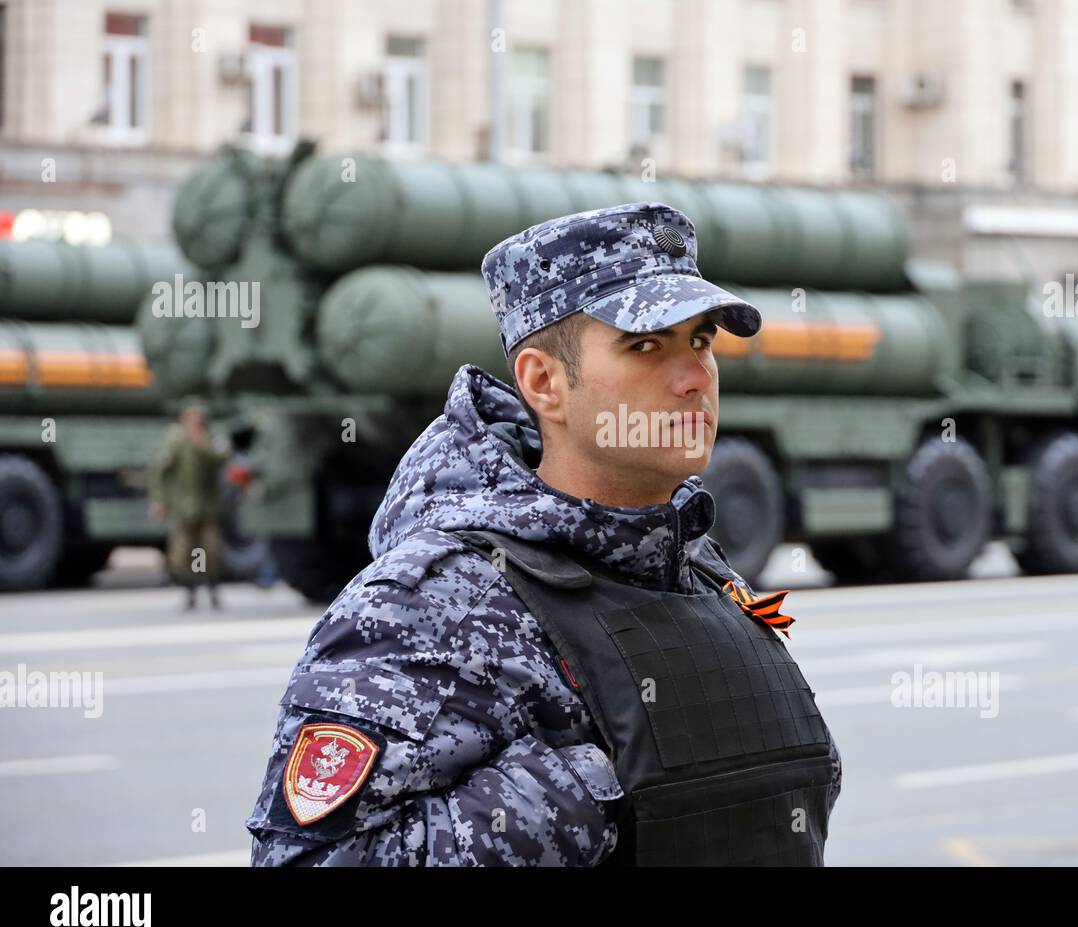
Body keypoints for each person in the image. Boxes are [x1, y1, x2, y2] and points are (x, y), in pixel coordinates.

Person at [244, 202, 842, 866]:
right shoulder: (426, 605)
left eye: (701, 341)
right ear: (544, 383)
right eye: (645, 345)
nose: (694, 378)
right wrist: (594, 788)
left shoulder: (703, 572)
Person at [149, 400, 228, 610]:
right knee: (183, 554)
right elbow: (160, 472)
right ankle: (190, 590)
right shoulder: (176, 441)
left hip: (207, 508)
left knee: (211, 551)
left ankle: (212, 589)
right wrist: (159, 501)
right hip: (184, 509)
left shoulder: (211, 439)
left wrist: (201, 443)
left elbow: (222, 457)